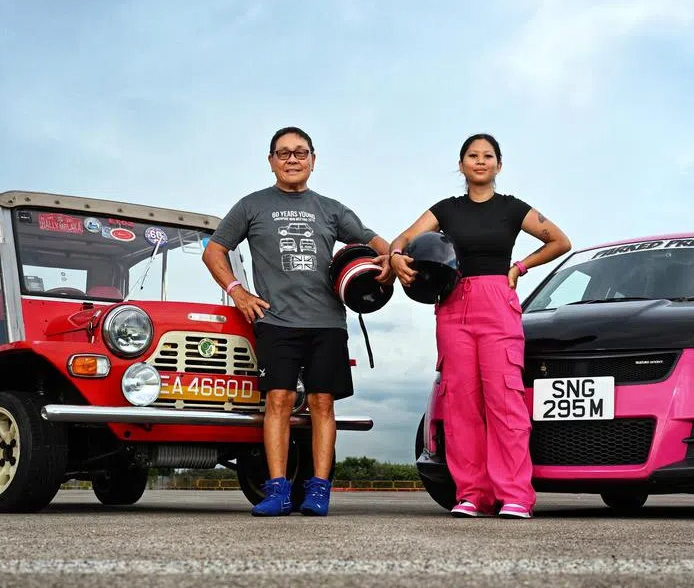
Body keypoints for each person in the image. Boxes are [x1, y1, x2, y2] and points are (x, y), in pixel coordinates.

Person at [203, 126, 393, 517]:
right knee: (279, 400)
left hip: (327, 322)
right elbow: (215, 250)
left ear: (313, 160)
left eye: (300, 153)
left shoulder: (331, 209)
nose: (293, 159)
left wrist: (390, 264)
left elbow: (377, 242)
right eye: (284, 153)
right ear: (271, 161)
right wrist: (238, 291)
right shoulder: (251, 205)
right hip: (276, 321)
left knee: (323, 403)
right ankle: (276, 490)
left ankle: (319, 490)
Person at [383, 133, 571, 518]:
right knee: (461, 403)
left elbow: (560, 241)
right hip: (453, 306)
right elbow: (403, 236)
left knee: (504, 400)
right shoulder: (446, 210)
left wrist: (520, 267)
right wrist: (397, 254)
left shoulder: (512, 208)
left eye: (488, 156)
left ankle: (515, 494)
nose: (480, 161)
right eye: (473, 155)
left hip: (497, 302)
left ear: (499, 165)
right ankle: (472, 494)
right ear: (461, 164)